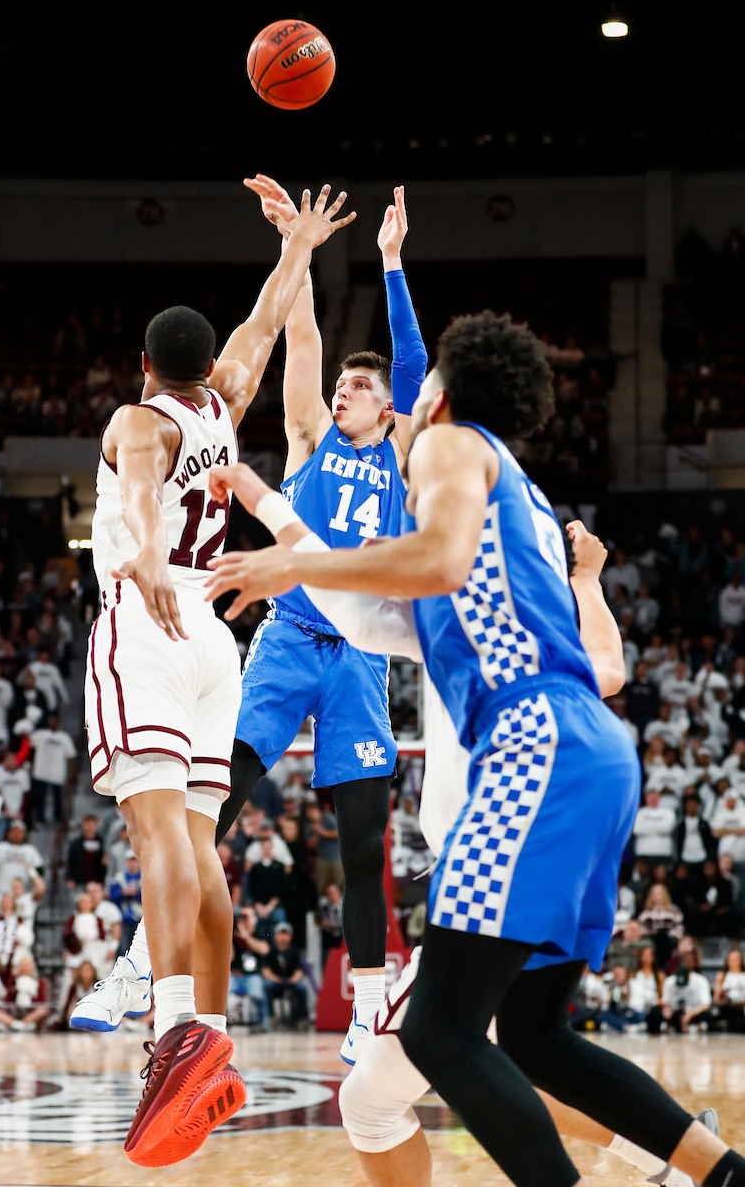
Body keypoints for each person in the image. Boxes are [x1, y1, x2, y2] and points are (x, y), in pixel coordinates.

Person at [204, 311, 745, 1187]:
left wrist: (286, 565)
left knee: (438, 1035)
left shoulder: (452, 448)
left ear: (442, 396)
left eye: (418, 391)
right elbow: (363, 606)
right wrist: (268, 511)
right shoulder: (521, 509)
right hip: (594, 755)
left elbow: (435, 559)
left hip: (532, 748)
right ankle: (720, 1172)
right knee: (536, 1039)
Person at [74, 185, 354, 1168]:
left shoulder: (138, 421)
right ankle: (212, 1031)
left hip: (151, 618)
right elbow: (266, 322)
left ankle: (174, 1036)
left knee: (159, 839)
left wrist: (144, 560)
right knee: (196, 844)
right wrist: (296, 249)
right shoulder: (226, 400)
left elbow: (143, 494)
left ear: (145, 366)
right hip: (215, 637)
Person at [215, 175, 427, 1062]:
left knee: (364, 834)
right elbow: (298, 333)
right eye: (342, 387)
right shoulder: (308, 435)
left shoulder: (404, 453)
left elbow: (412, 363)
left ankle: (372, 1008)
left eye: (359, 389)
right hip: (290, 639)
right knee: (216, 794)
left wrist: (388, 261)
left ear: (387, 407)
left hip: (360, 658)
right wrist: (293, 246)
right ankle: (146, 959)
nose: (343, 393)